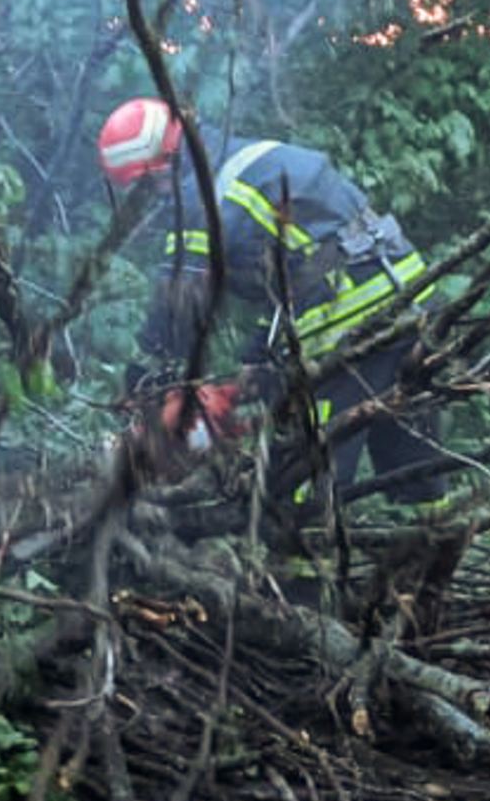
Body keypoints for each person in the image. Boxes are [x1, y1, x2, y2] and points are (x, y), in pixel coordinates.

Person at [96, 95, 446, 511]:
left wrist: (147, 370)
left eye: (145, 185)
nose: (151, 197)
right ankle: (435, 541)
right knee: (412, 461)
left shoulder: (199, 195)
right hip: (411, 296)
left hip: (347, 321)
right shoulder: (247, 157)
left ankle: (303, 548)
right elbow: (301, 265)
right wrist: (259, 353)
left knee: (301, 476)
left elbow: (180, 299)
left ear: (162, 165)